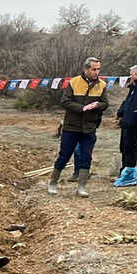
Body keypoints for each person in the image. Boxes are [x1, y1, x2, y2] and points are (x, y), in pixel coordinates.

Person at [48, 57, 108, 197]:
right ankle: (53, 182)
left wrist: (97, 105)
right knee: (64, 155)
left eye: (98, 69)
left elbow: (105, 103)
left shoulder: (102, 85)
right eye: (94, 69)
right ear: (86, 69)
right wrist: (82, 108)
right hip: (72, 126)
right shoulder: (74, 82)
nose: (96, 72)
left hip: (89, 127)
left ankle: (81, 187)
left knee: (86, 157)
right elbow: (65, 101)